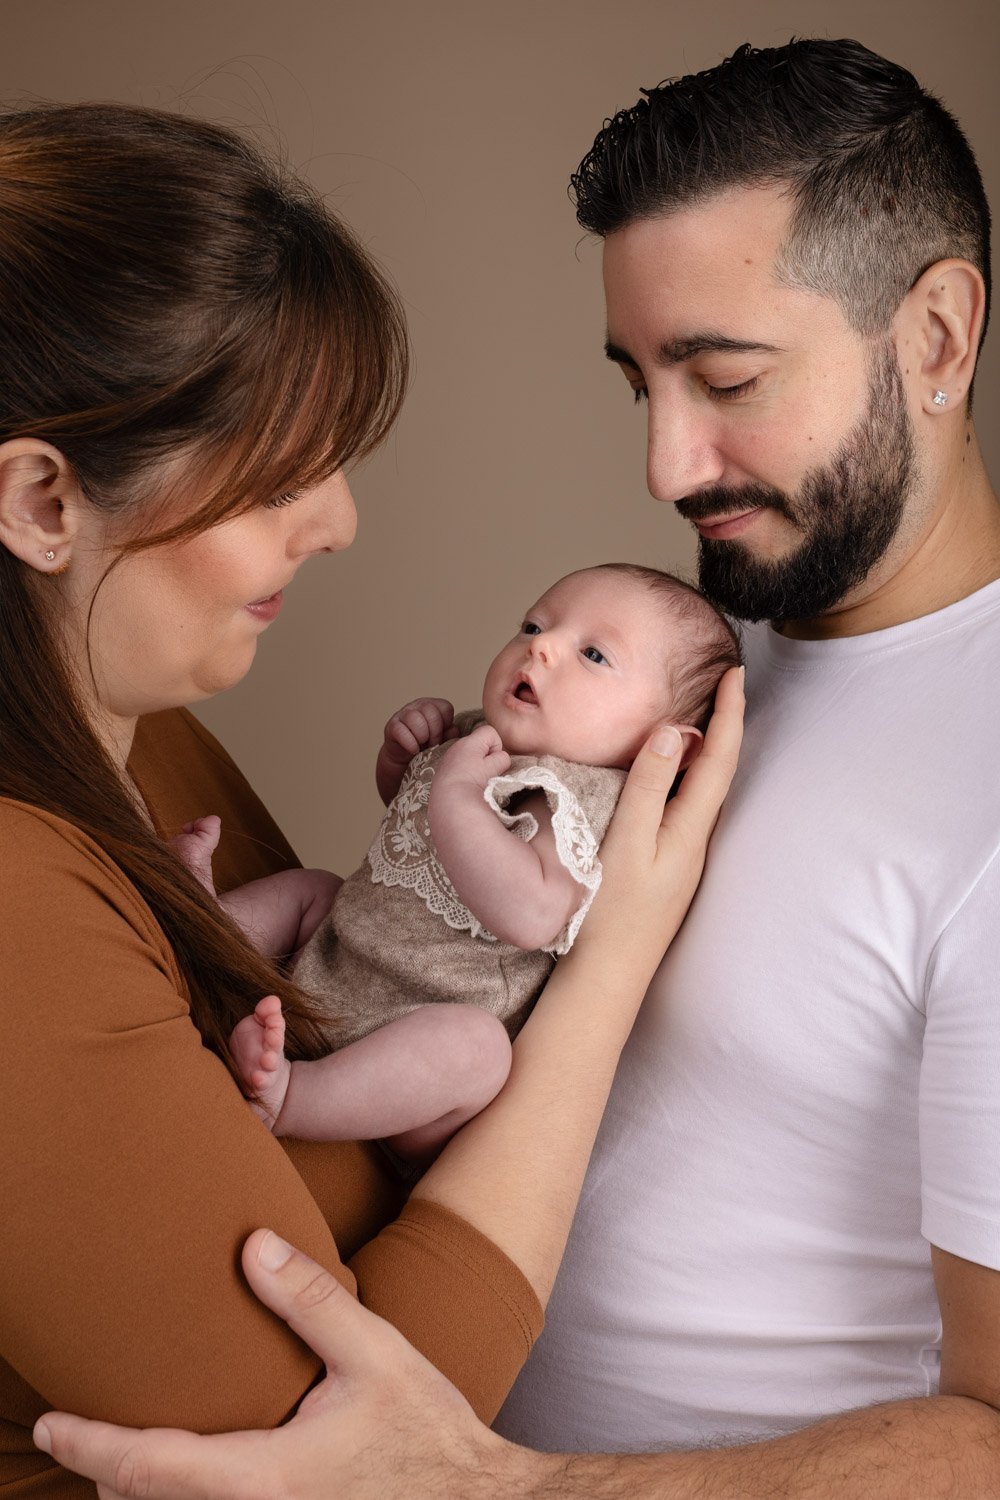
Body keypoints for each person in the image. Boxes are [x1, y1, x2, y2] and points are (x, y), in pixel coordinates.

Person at [37, 34, 1000, 1498]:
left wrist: (512, 1487)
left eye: (724, 377)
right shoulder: (671, 662)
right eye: (639, 386)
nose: (668, 469)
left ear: (935, 338)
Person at [0, 100, 741, 1496]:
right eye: (281, 472)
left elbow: (348, 973)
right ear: (44, 504)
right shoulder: (16, 910)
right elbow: (367, 1456)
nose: (336, 519)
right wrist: (618, 949)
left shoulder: (154, 751)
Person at [172, 563, 739, 1160]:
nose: (541, 647)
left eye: (594, 655)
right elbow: (410, 822)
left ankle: (292, 1097)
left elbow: (533, 912)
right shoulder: (481, 737)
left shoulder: (581, 800)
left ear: (667, 746)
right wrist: (404, 760)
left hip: (417, 1035)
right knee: (313, 890)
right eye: (533, 625)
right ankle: (205, 934)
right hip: (338, 956)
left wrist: (457, 796)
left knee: (479, 1052)